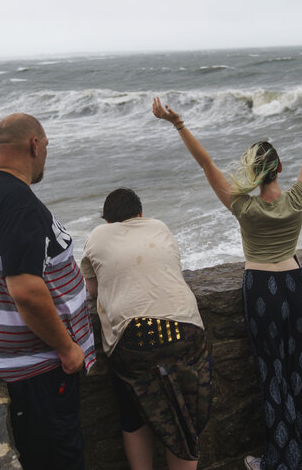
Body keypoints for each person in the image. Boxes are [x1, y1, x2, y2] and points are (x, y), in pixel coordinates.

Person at [151, 67, 302, 470]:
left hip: (262, 290)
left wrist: (179, 123)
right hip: (295, 286)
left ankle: (280, 462)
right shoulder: (296, 199)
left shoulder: (245, 206)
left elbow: (206, 165)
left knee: (273, 374)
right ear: (278, 168)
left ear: (253, 172)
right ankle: (301, 453)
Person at [0, 113, 96, 470]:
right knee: (60, 457)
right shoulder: (20, 205)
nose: (46, 152)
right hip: (38, 369)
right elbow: (26, 292)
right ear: (34, 144)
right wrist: (68, 349)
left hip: (4, 358)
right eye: (46, 144)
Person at [80, 188, 212, 470]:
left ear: (107, 221)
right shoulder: (159, 227)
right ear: (140, 214)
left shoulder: (96, 237)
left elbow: (92, 290)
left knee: (134, 415)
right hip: (185, 329)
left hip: (134, 338)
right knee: (184, 413)